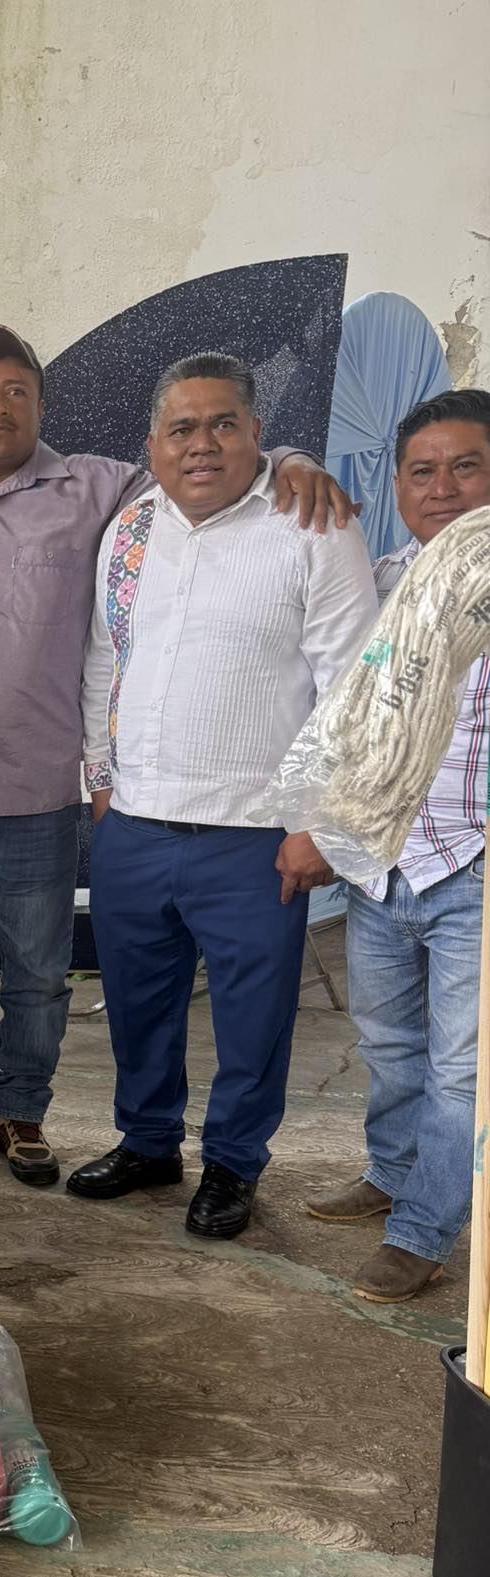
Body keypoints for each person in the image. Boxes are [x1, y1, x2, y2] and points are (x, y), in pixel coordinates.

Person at [0, 326, 353, 1186]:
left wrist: (292, 457)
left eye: (16, 390)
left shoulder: (106, 490)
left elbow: (205, 462)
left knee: (46, 972)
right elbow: (106, 652)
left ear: (43, 406)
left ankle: (37, 1114)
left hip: (73, 795)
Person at [70, 353, 377, 1240]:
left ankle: (236, 1164)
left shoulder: (311, 526)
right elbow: (103, 659)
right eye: (181, 429)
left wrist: (318, 822)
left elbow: (350, 685)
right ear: (152, 445)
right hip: (134, 821)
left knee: (253, 1017)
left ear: (255, 434)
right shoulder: (128, 533)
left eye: (222, 425)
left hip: (254, 834)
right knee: (137, 1000)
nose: (200, 445)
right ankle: (149, 1141)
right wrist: (100, 779)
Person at [306, 388, 490, 1301]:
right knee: (388, 1044)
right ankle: (392, 1174)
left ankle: (425, 1229)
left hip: (474, 867)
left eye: (467, 466)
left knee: (463, 1070)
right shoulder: (379, 583)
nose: (443, 488)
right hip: (382, 865)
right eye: (423, 470)